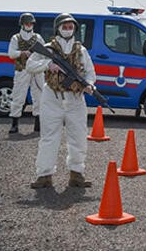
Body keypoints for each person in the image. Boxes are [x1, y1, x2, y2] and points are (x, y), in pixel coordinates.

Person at [25, 13, 95, 189]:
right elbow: (29, 65)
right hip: (52, 98)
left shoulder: (81, 50)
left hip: (75, 99)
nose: (68, 29)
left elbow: (90, 73)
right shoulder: (47, 48)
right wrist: (47, 65)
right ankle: (44, 175)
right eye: (65, 26)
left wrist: (90, 85)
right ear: (58, 28)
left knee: (78, 137)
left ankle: (76, 174)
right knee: (49, 138)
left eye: (71, 27)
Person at [7, 13, 45, 134]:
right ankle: (14, 124)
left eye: (31, 23)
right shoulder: (16, 38)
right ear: (22, 24)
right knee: (18, 96)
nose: (29, 25)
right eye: (27, 23)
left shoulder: (38, 37)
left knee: (39, 96)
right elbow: (11, 54)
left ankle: (38, 124)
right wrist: (22, 53)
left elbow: (44, 52)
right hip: (22, 69)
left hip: (36, 71)